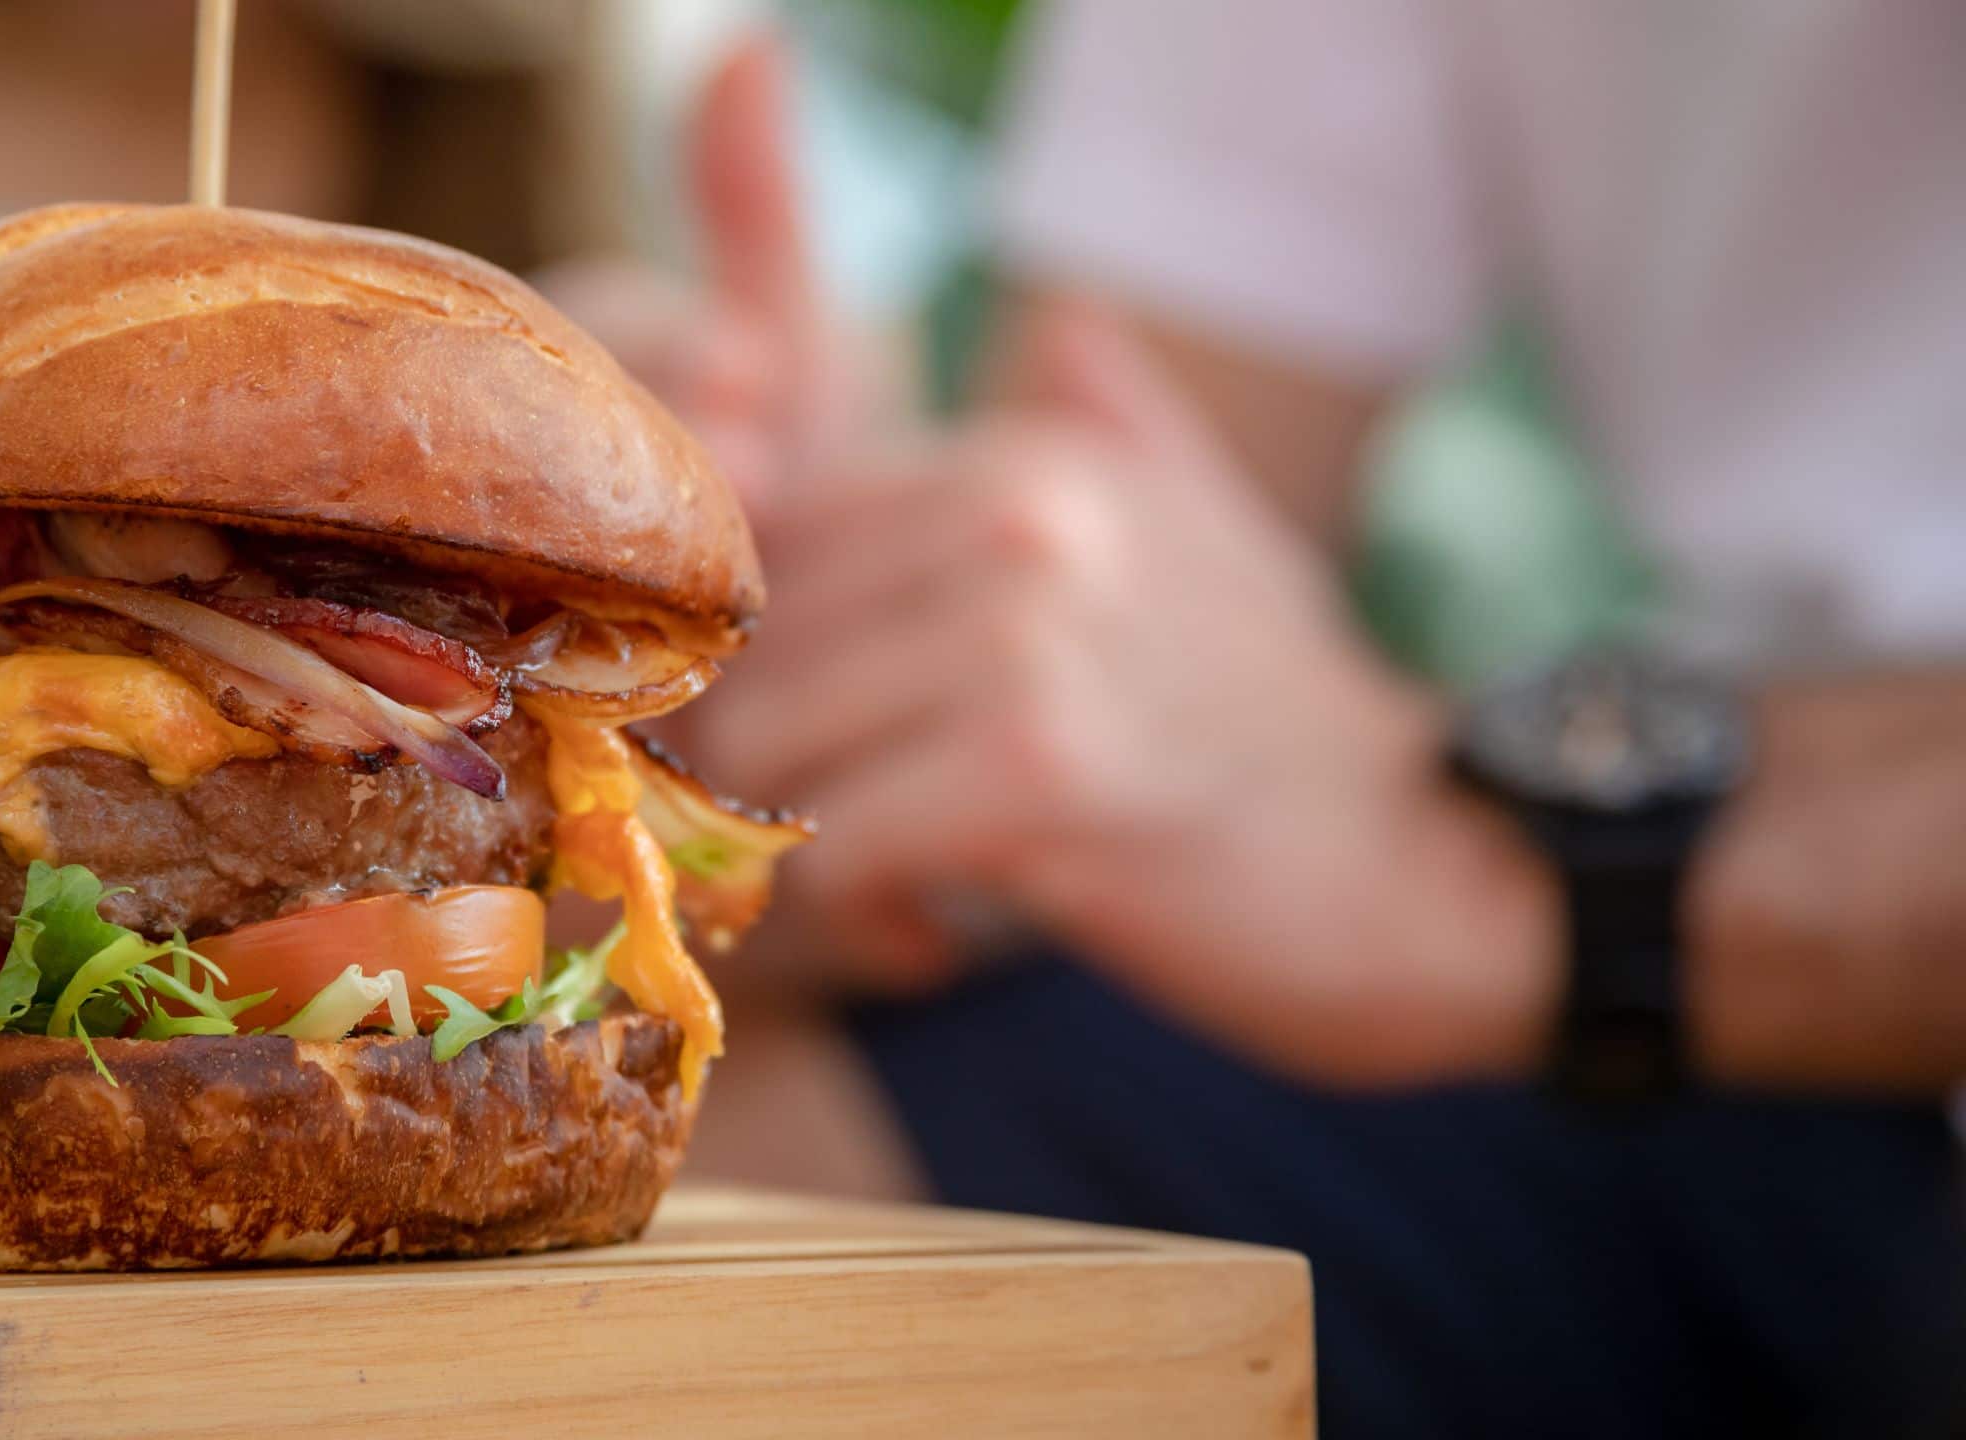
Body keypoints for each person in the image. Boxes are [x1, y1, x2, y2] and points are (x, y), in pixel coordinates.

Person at [549, 9, 1966, 1437]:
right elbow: (1129, 516)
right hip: (1709, 1078)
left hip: (1759, 963)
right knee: (683, 1142)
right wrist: (836, 643)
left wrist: (1462, 862)